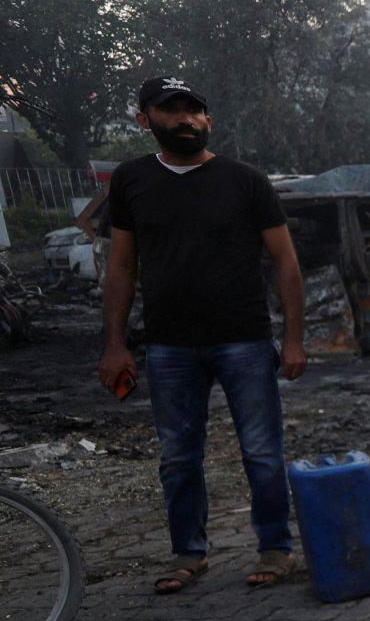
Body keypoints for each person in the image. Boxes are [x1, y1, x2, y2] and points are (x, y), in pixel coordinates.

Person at [97, 76, 307, 594]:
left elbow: (286, 262)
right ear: (144, 119)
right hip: (168, 345)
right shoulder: (130, 181)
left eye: (194, 110)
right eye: (171, 110)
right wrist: (115, 343)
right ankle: (189, 553)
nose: (185, 119)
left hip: (244, 339)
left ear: (209, 121)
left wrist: (296, 338)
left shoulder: (244, 180)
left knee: (261, 450)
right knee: (178, 457)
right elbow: (121, 267)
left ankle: (275, 547)